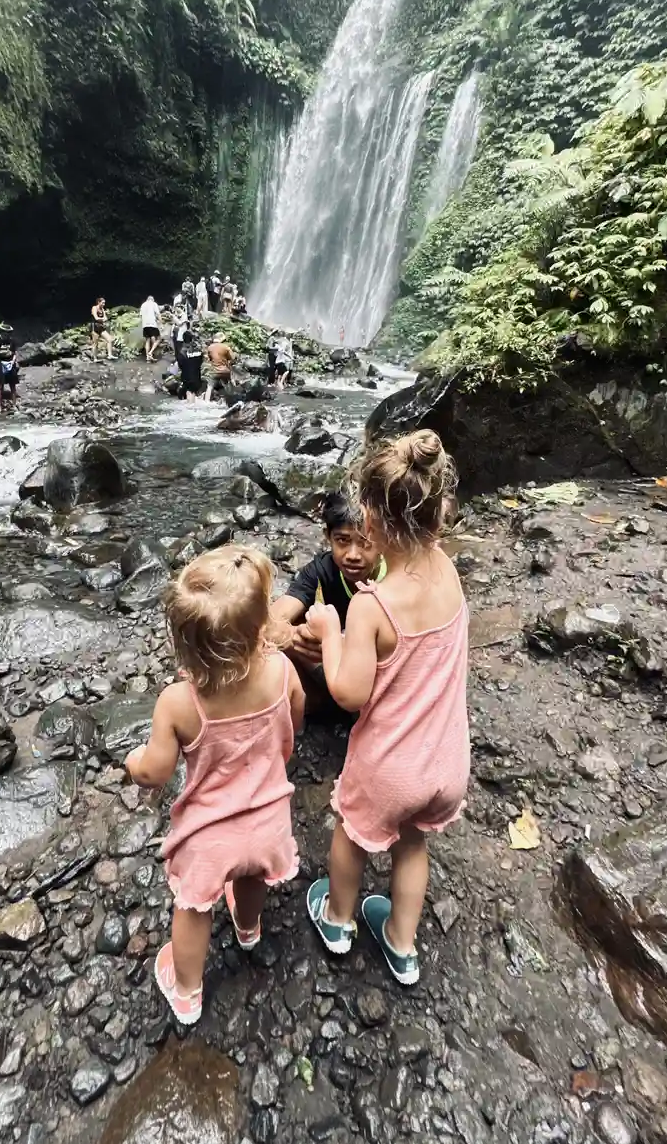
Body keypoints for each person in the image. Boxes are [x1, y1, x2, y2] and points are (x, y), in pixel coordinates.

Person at [304, 430, 469, 986]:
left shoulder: (374, 606)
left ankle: (339, 919)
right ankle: (402, 944)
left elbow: (350, 692)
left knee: (351, 834)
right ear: (439, 516)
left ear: (370, 524)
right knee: (412, 841)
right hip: (446, 764)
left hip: (388, 769)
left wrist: (330, 630)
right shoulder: (447, 570)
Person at [126, 547, 305, 1024]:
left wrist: (133, 761)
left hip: (209, 836)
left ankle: (186, 990)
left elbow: (156, 771)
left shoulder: (179, 702)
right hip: (268, 818)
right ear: (259, 626)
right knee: (250, 877)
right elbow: (297, 716)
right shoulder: (282, 672)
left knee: (193, 908)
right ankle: (248, 929)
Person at [270, 492, 384, 717]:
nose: (353, 555)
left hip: (381, 677)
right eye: (342, 540)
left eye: (365, 543)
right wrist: (293, 635)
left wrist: (334, 642)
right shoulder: (322, 570)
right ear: (327, 536)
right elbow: (269, 622)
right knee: (284, 636)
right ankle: (318, 707)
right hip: (337, 671)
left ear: (383, 540)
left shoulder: (395, 580)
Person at [0, 321, 20, 415]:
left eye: (9, 333)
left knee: (12, 385)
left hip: (10, 363)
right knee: (0, 386)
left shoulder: (12, 340)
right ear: (2, 332)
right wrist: (0, 354)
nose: (8, 335)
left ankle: (14, 406)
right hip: (0, 363)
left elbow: (14, 352)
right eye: (6, 333)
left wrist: (13, 360)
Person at [204, 333, 237, 402]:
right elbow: (233, 358)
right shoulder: (225, 347)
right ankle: (232, 399)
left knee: (209, 387)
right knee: (229, 384)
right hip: (225, 371)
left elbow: (209, 358)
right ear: (221, 339)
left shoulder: (210, 347)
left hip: (214, 371)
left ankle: (206, 402)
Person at [178, 328, 205, 401]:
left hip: (187, 376)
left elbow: (180, 364)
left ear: (183, 339)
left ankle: (190, 407)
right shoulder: (198, 350)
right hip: (197, 376)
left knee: (189, 392)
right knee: (194, 392)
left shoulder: (182, 351)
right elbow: (201, 361)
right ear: (191, 339)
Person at [91, 297, 113, 361]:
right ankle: (94, 358)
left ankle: (110, 355)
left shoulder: (102, 309)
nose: (104, 304)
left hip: (101, 327)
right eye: (103, 303)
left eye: (104, 303)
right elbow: (96, 318)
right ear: (98, 302)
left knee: (109, 339)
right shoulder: (94, 308)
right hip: (95, 328)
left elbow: (106, 318)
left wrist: (102, 319)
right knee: (95, 343)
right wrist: (103, 319)